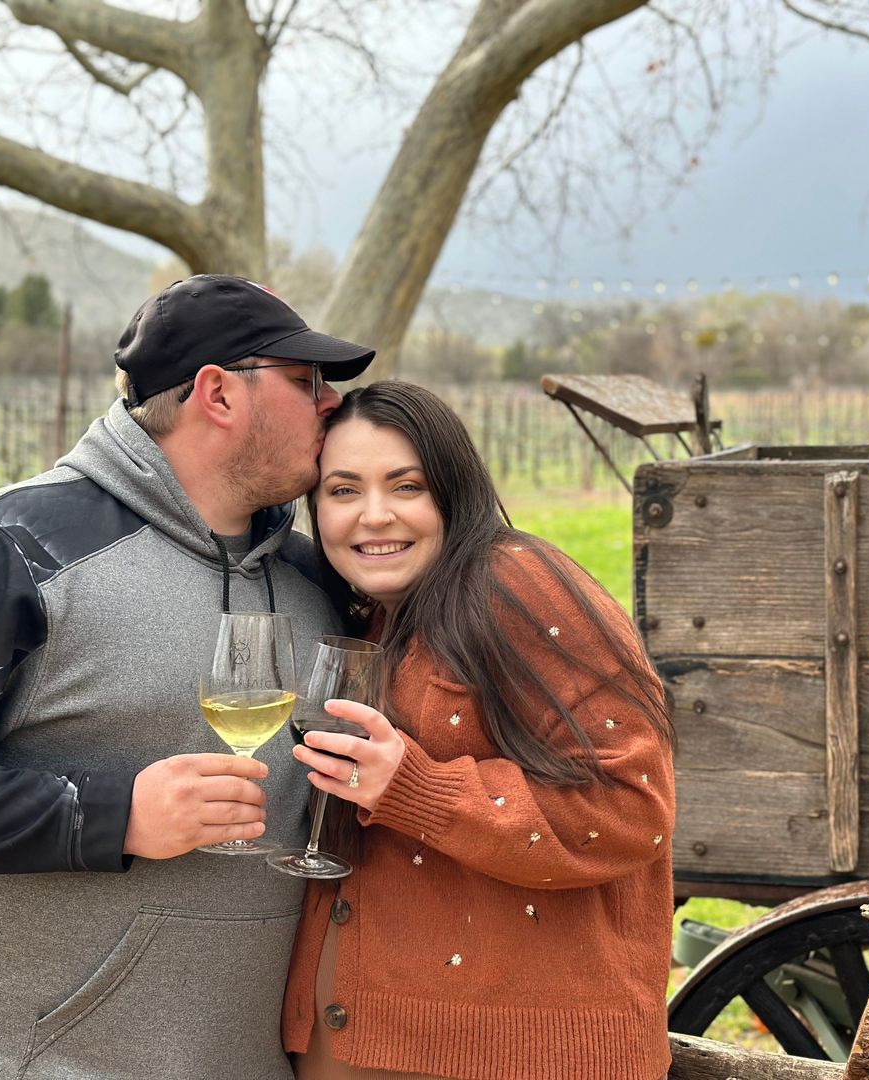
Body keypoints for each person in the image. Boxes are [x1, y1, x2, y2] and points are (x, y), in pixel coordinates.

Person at [0, 275, 375, 1080]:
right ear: (218, 393)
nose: (331, 405)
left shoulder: (317, 577)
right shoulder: (7, 546)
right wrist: (113, 816)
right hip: (18, 1066)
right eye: (307, 381)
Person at [281, 381, 676, 1080]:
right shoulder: (380, 612)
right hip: (364, 1040)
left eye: (406, 486)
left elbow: (632, 809)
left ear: (453, 491)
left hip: (512, 1055)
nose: (374, 516)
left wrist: (419, 790)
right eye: (343, 491)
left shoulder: (515, 585)